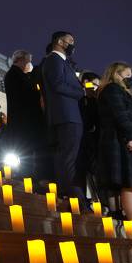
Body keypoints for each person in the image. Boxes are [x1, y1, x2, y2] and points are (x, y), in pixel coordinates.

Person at [96, 62, 132, 239]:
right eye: (127, 74)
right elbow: (120, 114)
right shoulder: (112, 89)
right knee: (129, 184)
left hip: (129, 141)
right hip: (122, 142)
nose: (130, 79)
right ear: (116, 74)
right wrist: (130, 136)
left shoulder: (124, 93)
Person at [41, 31, 85, 199]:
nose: (73, 44)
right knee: (68, 158)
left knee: (66, 157)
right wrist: (80, 92)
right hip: (66, 116)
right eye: (70, 40)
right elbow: (58, 84)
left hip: (68, 115)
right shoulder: (54, 60)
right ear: (60, 41)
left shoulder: (62, 62)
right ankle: (73, 196)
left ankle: (70, 193)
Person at [4, 50, 44, 178]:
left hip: (23, 121)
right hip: (23, 121)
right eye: (28, 61)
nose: (29, 64)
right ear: (20, 60)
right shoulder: (14, 74)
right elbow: (26, 94)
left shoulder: (17, 74)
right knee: (26, 153)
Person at [78, 71, 101, 201]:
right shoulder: (82, 100)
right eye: (94, 84)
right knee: (90, 174)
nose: (96, 88)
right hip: (87, 143)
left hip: (97, 142)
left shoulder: (96, 100)